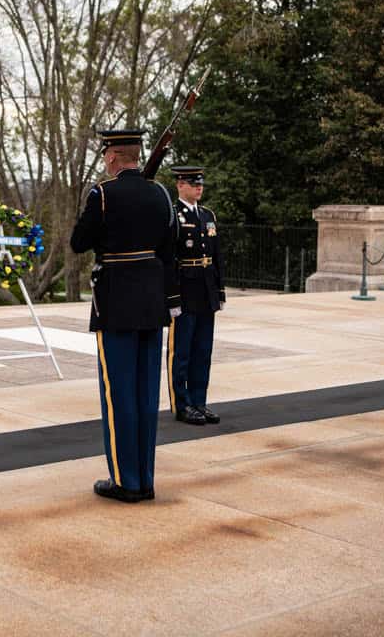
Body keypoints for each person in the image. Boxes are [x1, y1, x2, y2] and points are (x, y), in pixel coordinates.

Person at [71, 129, 180, 503]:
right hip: (152, 301)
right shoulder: (161, 194)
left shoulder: (103, 194)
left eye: (105, 155)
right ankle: (145, 478)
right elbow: (169, 246)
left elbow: (78, 243)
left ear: (113, 156)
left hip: (116, 302)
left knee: (119, 395)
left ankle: (124, 480)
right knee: (146, 394)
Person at [167, 166, 225, 426]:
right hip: (185, 291)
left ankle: (199, 402)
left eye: (200, 183)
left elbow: (216, 256)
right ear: (180, 184)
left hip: (206, 290)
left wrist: (220, 290)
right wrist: (171, 298)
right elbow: (168, 259)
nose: (199, 187)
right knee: (182, 352)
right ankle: (183, 404)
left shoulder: (207, 215)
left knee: (203, 350)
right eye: (193, 183)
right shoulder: (172, 215)